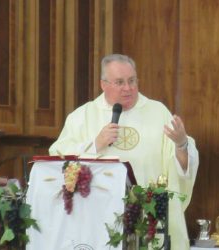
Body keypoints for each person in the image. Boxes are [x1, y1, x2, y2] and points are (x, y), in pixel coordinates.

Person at [49, 54, 199, 249]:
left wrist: (181, 144)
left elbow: (181, 166)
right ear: (103, 84)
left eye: (132, 80)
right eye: (119, 82)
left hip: (150, 219)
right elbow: (57, 159)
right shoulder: (83, 116)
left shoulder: (157, 112)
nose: (128, 88)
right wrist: (94, 145)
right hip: (99, 219)